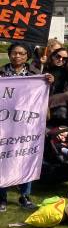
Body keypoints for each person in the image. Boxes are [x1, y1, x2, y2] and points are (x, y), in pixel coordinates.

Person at [0, 42, 40, 212]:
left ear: (27, 56)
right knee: (3, 158)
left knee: (25, 155)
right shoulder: (1, 72)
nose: (17, 56)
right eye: (14, 53)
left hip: (25, 123)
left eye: (21, 53)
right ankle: (1, 198)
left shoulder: (34, 74)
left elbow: (41, 95)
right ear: (9, 54)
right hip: (4, 122)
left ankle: (25, 195)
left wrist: (47, 81)